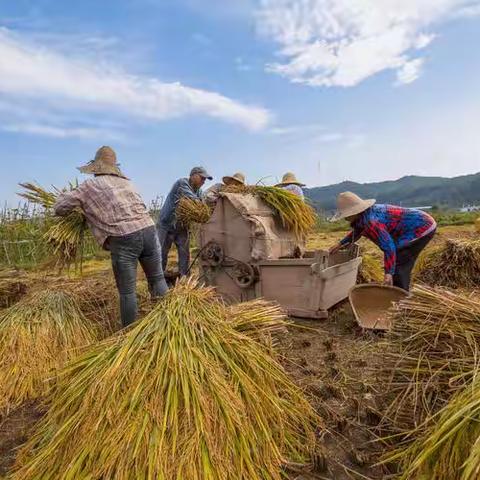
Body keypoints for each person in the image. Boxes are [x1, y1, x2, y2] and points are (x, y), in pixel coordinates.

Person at [54, 146, 168, 328]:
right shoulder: (128, 183)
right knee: (157, 279)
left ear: (95, 169)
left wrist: (67, 200)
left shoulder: (89, 186)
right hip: (148, 230)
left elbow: (60, 208)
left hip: (124, 237)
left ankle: (128, 337)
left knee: (127, 292)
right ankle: (170, 323)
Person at [329, 192, 437, 291]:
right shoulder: (364, 216)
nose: (345, 217)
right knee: (397, 259)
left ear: (354, 212)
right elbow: (358, 231)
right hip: (416, 225)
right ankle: (397, 292)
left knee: (400, 261)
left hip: (421, 227)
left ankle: (401, 297)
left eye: (346, 214)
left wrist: (388, 273)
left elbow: (389, 247)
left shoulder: (371, 222)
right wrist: (340, 244)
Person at [157, 167, 212, 276]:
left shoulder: (199, 191)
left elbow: (202, 203)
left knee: (184, 254)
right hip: (166, 225)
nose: (203, 181)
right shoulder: (182, 183)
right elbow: (193, 201)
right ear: (193, 175)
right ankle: (159, 280)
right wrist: (203, 205)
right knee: (161, 253)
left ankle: (184, 279)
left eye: (205, 179)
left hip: (182, 227)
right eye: (202, 178)